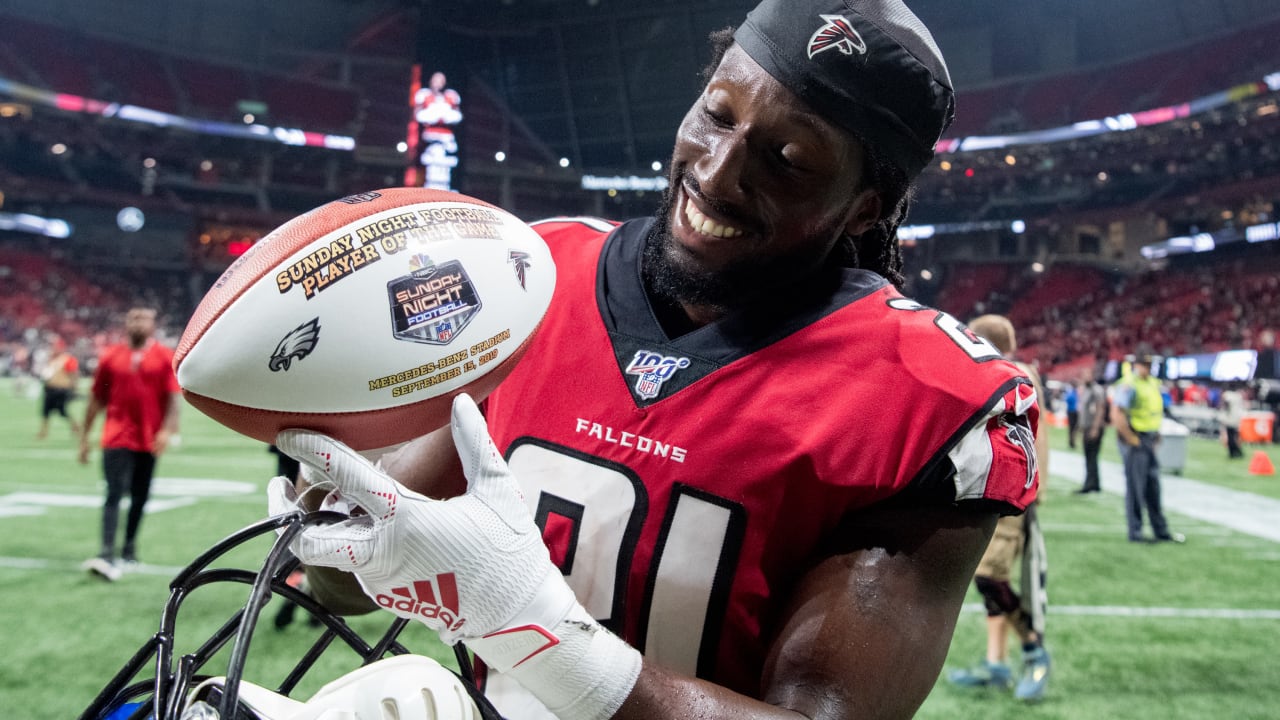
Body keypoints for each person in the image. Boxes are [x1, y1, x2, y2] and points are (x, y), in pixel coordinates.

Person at [271, 2, 1042, 718]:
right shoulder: (530, 276)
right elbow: (347, 582)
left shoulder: (925, 396)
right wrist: (333, 496)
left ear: (865, 205)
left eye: (787, 158)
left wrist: (542, 636)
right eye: (717, 115)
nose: (717, 172)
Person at [946, 315, 1051, 702]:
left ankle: (1034, 647)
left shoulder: (1010, 372)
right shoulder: (1016, 370)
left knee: (992, 576)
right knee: (987, 579)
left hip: (1012, 496)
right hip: (1002, 494)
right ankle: (997, 664)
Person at [79, 307, 181, 581]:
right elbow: (96, 398)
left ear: (153, 324)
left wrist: (167, 431)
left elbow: (173, 399)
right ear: (126, 323)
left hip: (148, 439)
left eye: (144, 318)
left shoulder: (163, 356)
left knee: (140, 496)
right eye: (133, 318)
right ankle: (106, 553)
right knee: (113, 493)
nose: (138, 323)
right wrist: (84, 438)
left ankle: (129, 547)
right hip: (115, 436)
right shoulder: (111, 356)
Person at [1110, 354, 1184, 544]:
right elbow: (1117, 413)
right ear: (1136, 365)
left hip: (1150, 438)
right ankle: (1135, 531)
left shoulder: (1152, 383)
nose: (1148, 368)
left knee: (1153, 486)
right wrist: (1130, 438)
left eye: (1150, 365)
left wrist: (1156, 433)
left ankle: (1161, 530)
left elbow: (1155, 411)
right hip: (1137, 438)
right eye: (1144, 364)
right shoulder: (1129, 383)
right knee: (1136, 487)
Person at [36, 336, 82, 440]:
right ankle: (43, 431)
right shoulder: (51, 359)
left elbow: (73, 374)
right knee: (45, 411)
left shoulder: (67, 359)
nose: (54, 349)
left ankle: (75, 425)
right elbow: (47, 374)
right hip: (50, 388)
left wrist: (74, 386)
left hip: (61, 389)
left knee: (62, 411)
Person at [1077, 366, 1107, 493]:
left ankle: (1089, 484)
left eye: (1087, 374)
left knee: (1092, 456)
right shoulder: (1086, 390)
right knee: (1090, 457)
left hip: (1093, 428)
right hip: (1087, 427)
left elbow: (1100, 408)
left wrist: (1095, 427)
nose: (1085, 377)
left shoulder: (1096, 390)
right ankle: (1094, 483)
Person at [1218, 383, 1248, 459]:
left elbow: (1226, 404)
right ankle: (1236, 452)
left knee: (1231, 437)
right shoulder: (1238, 395)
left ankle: (1234, 452)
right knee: (1235, 436)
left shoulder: (1227, 395)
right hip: (1237, 418)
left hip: (1229, 418)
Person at [1064, 381, 1079, 449]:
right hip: (1072, 412)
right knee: (1072, 428)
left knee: (1073, 428)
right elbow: (1067, 400)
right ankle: (1071, 442)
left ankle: (1072, 442)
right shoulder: (1072, 393)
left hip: (1073, 412)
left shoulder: (1074, 393)